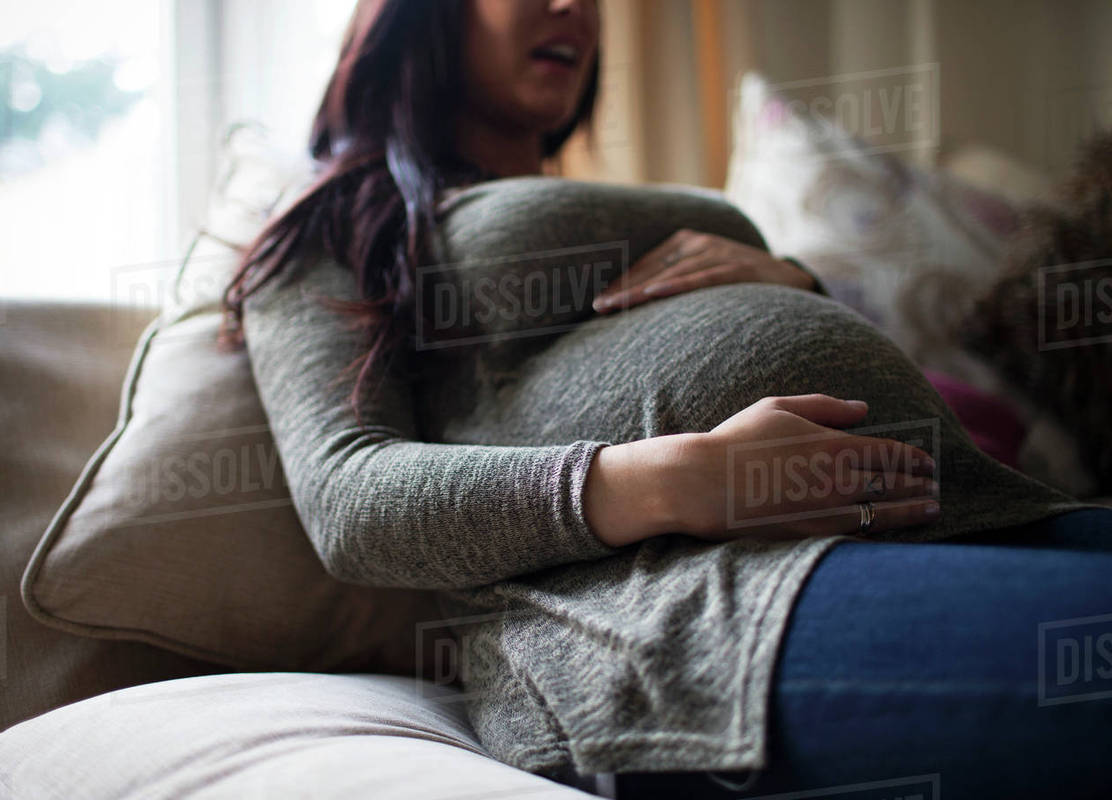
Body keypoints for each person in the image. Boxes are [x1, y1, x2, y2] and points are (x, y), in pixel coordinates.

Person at [221, 1, 1112, 797]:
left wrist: (795, 283)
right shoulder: (338, 217)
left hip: (964, 507)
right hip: (686, 607)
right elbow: (348, 496)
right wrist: (679, 480)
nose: (573, 7)